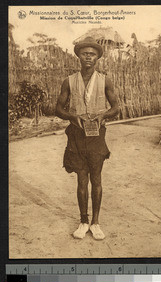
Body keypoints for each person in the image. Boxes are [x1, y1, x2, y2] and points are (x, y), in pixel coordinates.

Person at [56, 36, 119, 240]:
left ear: (98, 57)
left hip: (96, 135)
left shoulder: (105, 80)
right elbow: (58, 108)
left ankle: (96, 223)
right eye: (85, 54)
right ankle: (83, 221)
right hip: (76, 134)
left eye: (92, 54)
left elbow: (117, 107)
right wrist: (72, 116)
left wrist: (103, 116)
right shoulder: (69, 81)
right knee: (82, 179)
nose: (88, 57)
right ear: (79, 56)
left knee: (96, 179)